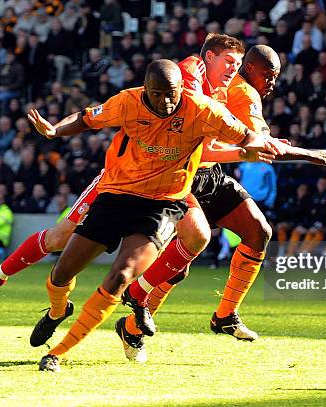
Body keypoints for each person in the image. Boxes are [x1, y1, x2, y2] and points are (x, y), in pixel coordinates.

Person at [28, 59, 279, 372]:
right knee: (62, 272)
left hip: (162, 204)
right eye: (158, 94)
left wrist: (256, 146)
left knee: (122, 275)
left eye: (172, 94)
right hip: (117, 196)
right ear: (145, 89)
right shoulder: (127, 102)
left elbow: (244, 135)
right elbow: (86, 118)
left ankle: (58, 353)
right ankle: (56, 311)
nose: (166, 101)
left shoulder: (201, 109)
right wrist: (55, 130)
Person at [116, 45, 326, 363]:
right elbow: (261, 144)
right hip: (183, 176)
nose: (272, 83)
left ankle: (225, 315)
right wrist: (310, 154)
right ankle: (134, 325)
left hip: (209, 173)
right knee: (181, 263)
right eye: (269, 76)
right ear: (250, 68)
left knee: (257, 231)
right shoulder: (245, 92)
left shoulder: (220, 79)